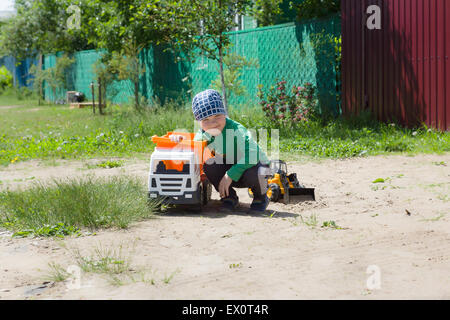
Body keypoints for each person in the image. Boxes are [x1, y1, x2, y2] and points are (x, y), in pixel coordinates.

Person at [170, 89, 271, 213]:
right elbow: (193, 149)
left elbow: (252, 155)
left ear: (224, 113)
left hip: (253, 167)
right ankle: (229, 197)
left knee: (256, 170)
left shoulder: (237, 129)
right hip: (231, 170)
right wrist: (178, 140)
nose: (213, 123)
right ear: (199, 122)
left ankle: (260, 197)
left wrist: (230, 175)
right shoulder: (204, 133)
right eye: (206, 120)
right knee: (210, 165)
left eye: (217, 116)